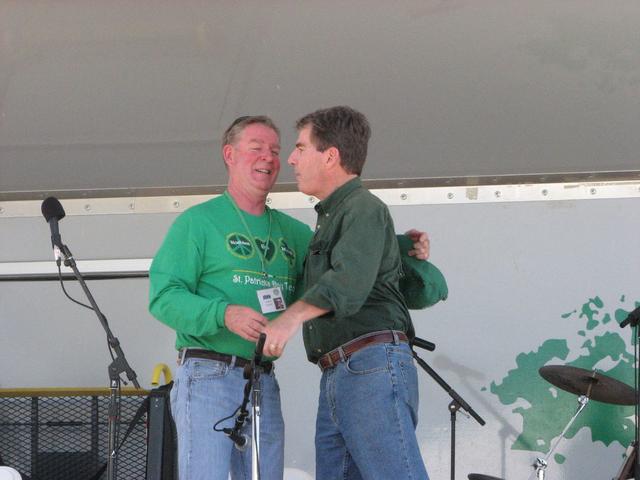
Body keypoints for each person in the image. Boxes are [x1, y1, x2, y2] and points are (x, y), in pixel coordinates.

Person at [148, 115, 431, 480]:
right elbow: (163, 297)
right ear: (229, 155)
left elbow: (347, 263)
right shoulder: (197, 222)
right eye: (256, 148)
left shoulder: (296, 233)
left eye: (278, 150)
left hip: (263, 379)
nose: (270, 157)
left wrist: (404, 245)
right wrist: (224, 314)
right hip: (208, 374)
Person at [264, 106, 432, 479]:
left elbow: (348, 284)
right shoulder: (340, 216)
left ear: (330, 156)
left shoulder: (363, 208)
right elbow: (363, 261)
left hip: (370, 367)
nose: (290, 159)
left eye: (300, 147)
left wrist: (288, 320)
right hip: (342, 371)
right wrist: (406, 244)